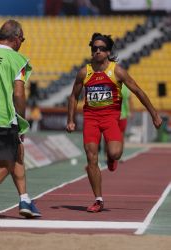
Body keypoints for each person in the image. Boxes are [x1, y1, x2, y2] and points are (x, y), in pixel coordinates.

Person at [66, 32, 162, 213]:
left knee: (116, 153)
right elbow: (73, 96)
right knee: (91, 157)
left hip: (111, 118)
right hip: (91, 119)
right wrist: (70, 120)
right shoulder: (84, 72)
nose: (97, 52)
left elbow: (138, 92)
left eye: (101, 49)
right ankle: (98, 199)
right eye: (94, 48)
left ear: (108, 52)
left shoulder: (116, 71)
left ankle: (111, 158)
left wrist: (154, 114)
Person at [0, 20, 41, 218]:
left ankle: (24, 199)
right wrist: (22, 122)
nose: (22, 43)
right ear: (15, 38)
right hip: (3, 118)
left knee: (17, 155)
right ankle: (24, 199)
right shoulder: (18, 60)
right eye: (22, 39)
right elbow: (18, 93)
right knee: (7, 163)